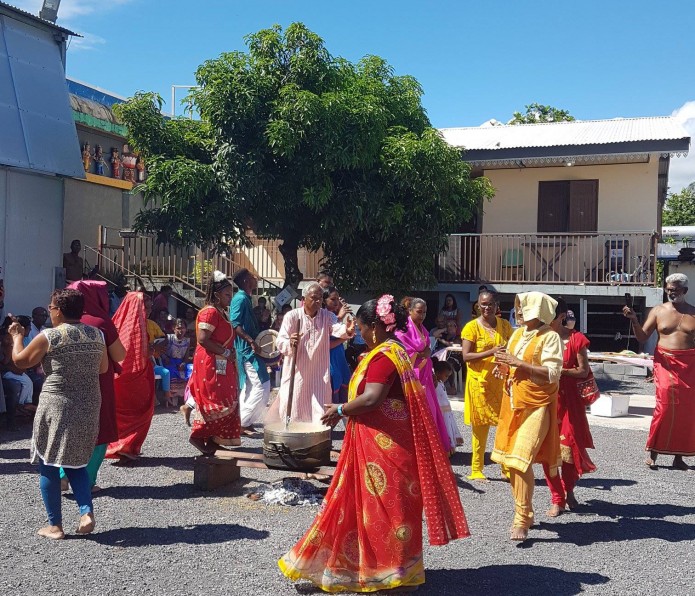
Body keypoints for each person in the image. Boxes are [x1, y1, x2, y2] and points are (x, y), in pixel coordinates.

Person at [278, 295, 469, 592]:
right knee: (383, 511)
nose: (361, 334)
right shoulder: (396, 351)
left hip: (385, 450)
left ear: (377, 327)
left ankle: (392, 575)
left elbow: (373, 398)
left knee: (385, 512)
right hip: (387, 446)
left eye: (363, 328)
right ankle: (388, 572)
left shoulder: (383, 357)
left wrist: (340, 409)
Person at [9, 289, 107, 539]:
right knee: (76, 462)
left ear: (59, 311)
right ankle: (86, 511)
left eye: (51, 308)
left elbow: (21, 362)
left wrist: (17, 337)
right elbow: (103, 367)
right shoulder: (96, 334)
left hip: (58, 405)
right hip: (88, 404)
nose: (50, 311)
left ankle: (55, 526)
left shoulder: (50, 336)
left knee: (49, 463)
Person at [491, 291, 563, 541]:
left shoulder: (550, 337)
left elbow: (552, 373)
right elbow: (512, 364)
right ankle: (526, 513)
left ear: (537, 311)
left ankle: (521, 518)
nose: (519, 312)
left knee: (520, 459)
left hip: (538, 404)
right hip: (513, 402)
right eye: (518, 308)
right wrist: (502, 365)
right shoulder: (518, 334)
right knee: (510, 463)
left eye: (524, 308)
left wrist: (516, 363)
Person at [623, 273, 695, 469]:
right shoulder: (658, 311)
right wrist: (634, 320)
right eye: (668, 289)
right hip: (665, 364)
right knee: (664, 407)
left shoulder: (693, 313)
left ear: (685, 291)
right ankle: (653, 452)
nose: (671, 292)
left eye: (675, 289)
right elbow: (642, 338)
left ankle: (679, 457)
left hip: (689, 366)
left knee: (685, 410)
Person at [62, 280, 125, 492]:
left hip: (67, 381)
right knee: (101, 429)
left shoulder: (61, 320)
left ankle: (63, 474)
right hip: (99, 381)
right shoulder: (100, 321)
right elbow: (119, 354)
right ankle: (86, 481)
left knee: (72, 427)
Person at [543, 298, 596, 516]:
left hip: (570, 403)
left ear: (562, 316)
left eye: (550, 315)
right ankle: (557, 498)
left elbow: (583, 371)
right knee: (548, 451)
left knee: (569, 448)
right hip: (546, 401)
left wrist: (559, 372)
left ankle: (569, 490)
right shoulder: (540, 339)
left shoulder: (576, 339)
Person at [275, 283, 353, 424]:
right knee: (294, 409)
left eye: (320, 298)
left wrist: (347, 331)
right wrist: (290, 342)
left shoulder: (327, 316)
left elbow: (336, 328)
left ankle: (319, 444)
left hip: (319, 376)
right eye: (314, 298)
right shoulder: (292, 316)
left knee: (319, 413)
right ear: (304, 298)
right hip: (297, 373)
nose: (318, 301)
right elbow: (280, 340)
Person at [461, 290, 514, 481]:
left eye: (490, 304)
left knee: (504, 426)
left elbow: (513, 349)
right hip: (479, 384)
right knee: (480, 427)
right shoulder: (471, 327)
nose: (486, 308)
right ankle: (476, 468)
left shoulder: (506, 326)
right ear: (478, 305)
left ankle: (506, 467)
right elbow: (466, 356)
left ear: (497, 305)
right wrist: (491, 351)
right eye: (483, 304)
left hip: (501, 382)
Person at [188, 271, 241, 454]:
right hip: (211, 363)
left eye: (231, 295)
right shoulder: (210, 312)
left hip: (222, 362)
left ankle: (211, 439)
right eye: (227, 295)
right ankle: (198, 435)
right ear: (217, 295)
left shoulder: (221, 312)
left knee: (226, 398)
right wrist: (226, 352)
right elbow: (203, 339)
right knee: (217, 401)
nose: (230, 298)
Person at [395, 297, 450, 452]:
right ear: (410, 311)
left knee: (430, 410)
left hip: (425, 372)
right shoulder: (403, 330)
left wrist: (426, 356)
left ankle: (429, 446)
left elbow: (426, 349)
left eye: (425, 312)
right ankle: (414, 447)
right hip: (413, 374)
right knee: (416, 412)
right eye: (419, 312)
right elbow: (402, 352)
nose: (422, 315)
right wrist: (421, 353)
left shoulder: (423, 328)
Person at [106, 292, 156, 463]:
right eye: (146, 308)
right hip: (131, 379)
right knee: (139, 412)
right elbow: (134, 354)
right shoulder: (133, 327)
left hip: (126, 378)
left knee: (132, 413)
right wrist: (152, 351)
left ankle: (126, 447)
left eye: (150, 308)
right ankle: (126, 447)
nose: (148, 311)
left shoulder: (119, 325)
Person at [229, 268, 269, 435]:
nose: (256, 278)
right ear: (246, 281)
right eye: (253, 276)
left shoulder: (245, 298)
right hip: (247, 350)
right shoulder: (239, 299)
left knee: (251, 387)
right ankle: (243, 423)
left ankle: (245, 421)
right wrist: (251, 341)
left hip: (249, 349)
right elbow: (234, 324)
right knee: (262, 385)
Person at [323, 286, 352, 403]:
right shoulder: (323, 316)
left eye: (337, 299)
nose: (336, 302)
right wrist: (344, 338)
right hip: (330, 358)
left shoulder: (332, 315)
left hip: (338, 356)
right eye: (333, 299)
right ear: (324, 301)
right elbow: (327, 344)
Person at [433, 360, 463, 455]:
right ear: (437, 373)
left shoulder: (441, 383)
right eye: (446, 376)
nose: (447, 378)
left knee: (448, 428)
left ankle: (450, 448)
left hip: (446, 411)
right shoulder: (435, 383)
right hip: (441, 412)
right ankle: (444, 449)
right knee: (443, 429)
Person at [151, 338, 174, 407]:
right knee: (151, 374)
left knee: (166, 372)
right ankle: (153, 397)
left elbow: (153, 364)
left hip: (153, 366)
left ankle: (167, 395)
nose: (162, 350)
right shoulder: (149, 350)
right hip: (148, 367)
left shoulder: (156, 352)